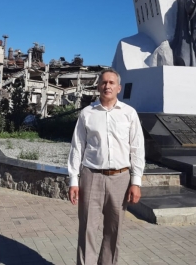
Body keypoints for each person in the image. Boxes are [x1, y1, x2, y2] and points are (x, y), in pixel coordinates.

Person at [68, 68, 145, 265]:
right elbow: (77, 147)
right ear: (98, 87)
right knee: (87, 229)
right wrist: (73, 181)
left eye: (111, 83)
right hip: (91, 176)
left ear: (119, 88)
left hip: (120, 179)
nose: (107, 86)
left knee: (114, 230)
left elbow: (137, 149)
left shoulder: (129, 113)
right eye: (103, 82)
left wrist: (136, 182)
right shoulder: (87, 114)